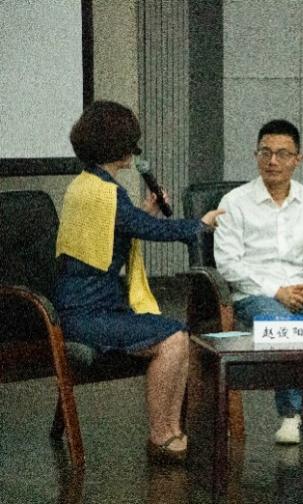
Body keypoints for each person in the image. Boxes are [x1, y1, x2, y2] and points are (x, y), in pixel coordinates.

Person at [53, 100, 224, 463]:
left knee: (177, 335)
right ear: (118, 144)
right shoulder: (106, 192)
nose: (135, 148)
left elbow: (114, 229)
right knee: (173, 338)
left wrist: (142, 213)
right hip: (89, 315)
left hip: (83, 307)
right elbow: (150, 230)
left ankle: (172, 432)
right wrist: (200, 225)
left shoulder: (85, 185)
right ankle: (162, 435)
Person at [213, 119, 303, 445]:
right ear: (255, 155)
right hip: (254, 296)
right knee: (286, 326)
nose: (272, 161)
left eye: (282, 154)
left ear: (298, 159)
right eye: (265, 152)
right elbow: (228, 264)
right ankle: (290, 416)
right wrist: (276, 291)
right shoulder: (235, 202)